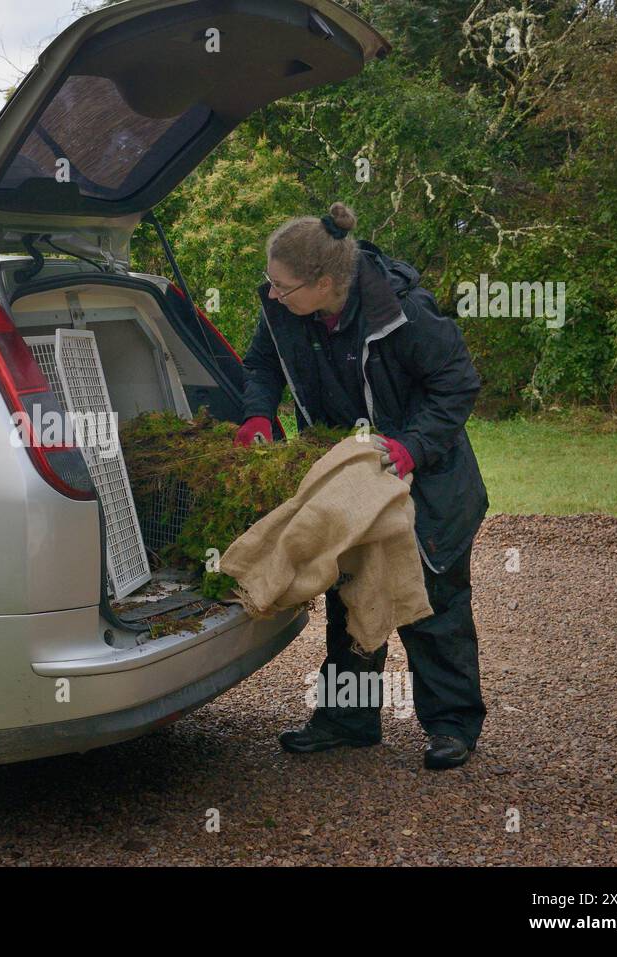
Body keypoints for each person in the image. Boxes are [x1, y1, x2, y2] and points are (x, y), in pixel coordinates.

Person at [235, 202, 489, 769]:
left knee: (432, 603)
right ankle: (349, 720)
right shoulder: (283, 310)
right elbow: (260, 366)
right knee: (349, 592)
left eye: (283, 286)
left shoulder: (403, 312)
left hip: (425, 480)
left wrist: (412, 446)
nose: (272, 295)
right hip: (346, 478)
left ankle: (452, 727)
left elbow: (457, 385)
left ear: (325, 282)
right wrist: (258, 413)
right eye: (272, 284)